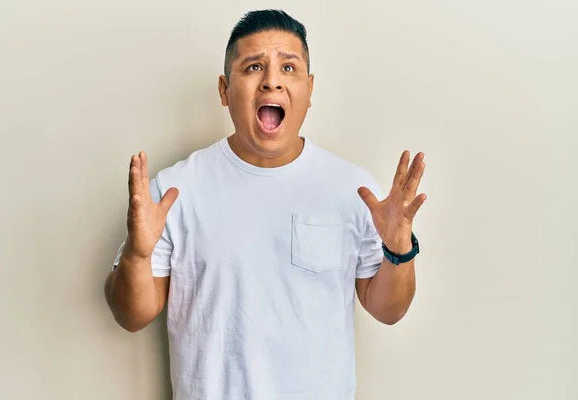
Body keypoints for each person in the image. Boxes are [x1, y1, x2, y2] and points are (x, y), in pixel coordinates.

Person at [104, 9, 427, 400]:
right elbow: (131, 315)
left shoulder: (354, 190)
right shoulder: (175, 190)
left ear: (309, 89)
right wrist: (137, 257)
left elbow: (388, 310)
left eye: (288, 68)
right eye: (254, 66)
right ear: (224, 90)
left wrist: (398, 250)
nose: (272, 81)